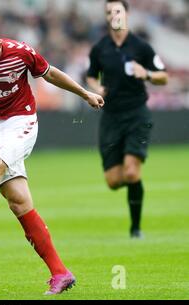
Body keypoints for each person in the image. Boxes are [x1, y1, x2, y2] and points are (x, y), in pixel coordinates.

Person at [0, 20, 104, 295]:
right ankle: (60, 273)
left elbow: (50, 74)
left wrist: (85, 94)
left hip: (22, 121)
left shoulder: (20, 52)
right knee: (19, 202)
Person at [86, 0, 168, 238]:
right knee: (113, 181)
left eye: (118, 10)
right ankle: (136, 187)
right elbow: (91, 76)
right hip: (111, 116)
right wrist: (97, 87)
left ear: (127, 14)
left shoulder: (142, 47)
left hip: (136, 114)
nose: (114, 15)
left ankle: (135, 229)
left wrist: (148, 74)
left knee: (132, 172)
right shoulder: (99, 48)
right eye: (109, 12)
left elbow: (163, 76)